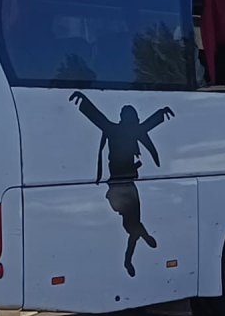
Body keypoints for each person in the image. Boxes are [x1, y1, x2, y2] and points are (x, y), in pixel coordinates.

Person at [69, 92, 174, 278]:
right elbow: (97, 117)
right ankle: (140, 241)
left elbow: (148, 124)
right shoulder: (116, 130)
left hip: (127, 184)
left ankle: (131, 255)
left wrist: (161, 113)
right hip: (119, 186)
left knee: (132, 225)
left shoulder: (125, 130)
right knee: (132, 225)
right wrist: (83, 101)